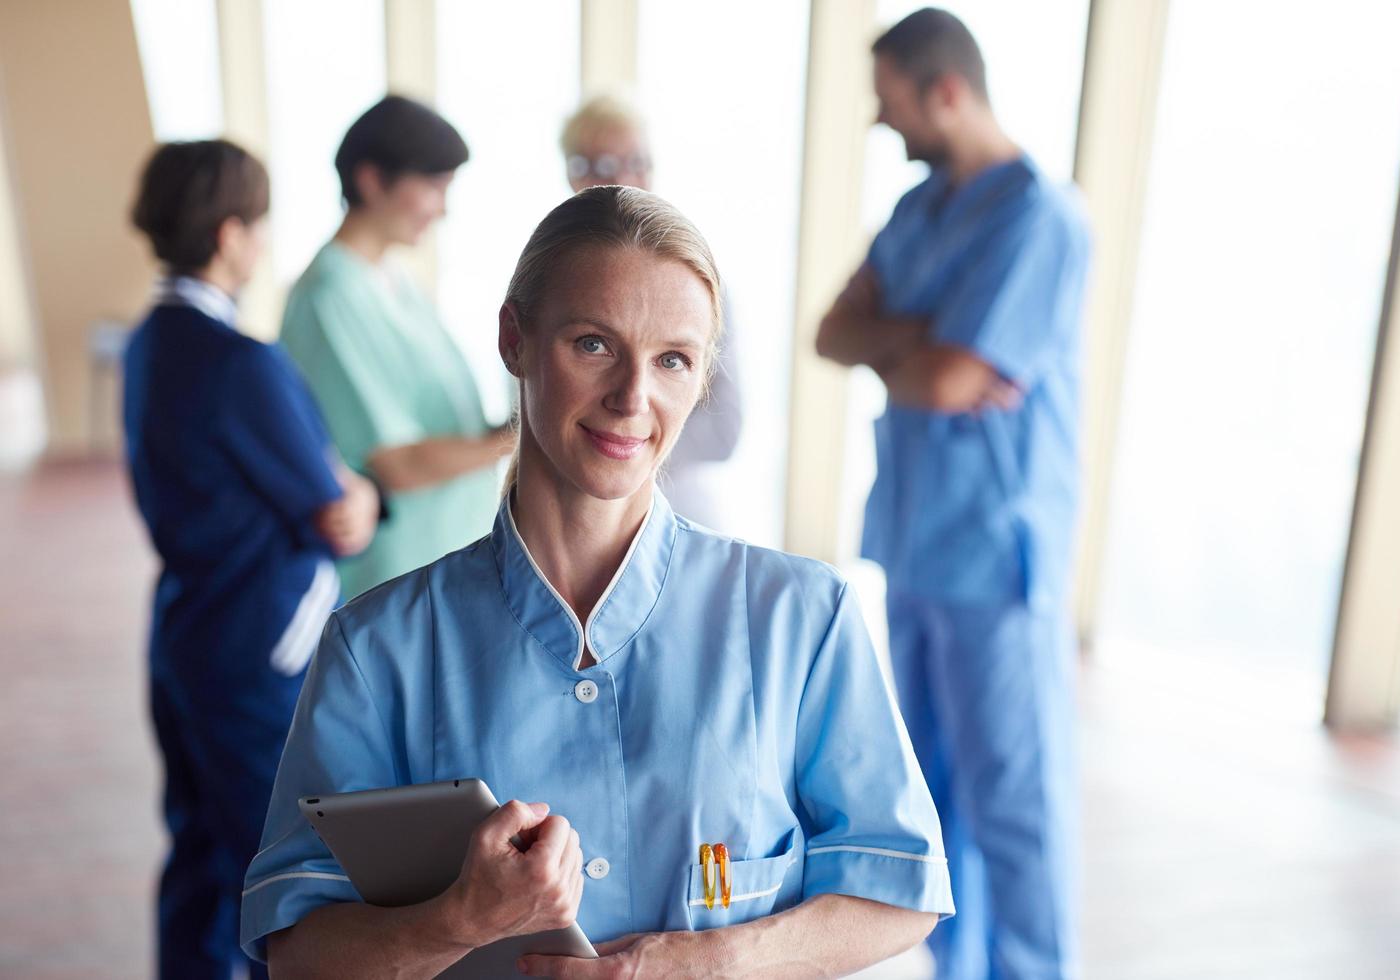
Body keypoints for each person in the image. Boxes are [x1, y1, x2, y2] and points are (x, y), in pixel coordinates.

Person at [240, 186, 954, 977]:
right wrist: (457, 919)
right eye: (592, 344)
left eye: (672, 360)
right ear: (515, 339)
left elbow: (900, 893)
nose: (631, 398)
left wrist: (701, 962)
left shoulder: (801, 619)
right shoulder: (377, 651)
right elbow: (297, 953)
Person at [815, 9, 1091, 980]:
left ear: (943, 91)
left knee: (1014, 804)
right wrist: (921, 337)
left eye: (889, 102)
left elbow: (942, 379)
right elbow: (833, 333)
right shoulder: (919, 210)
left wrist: (908, 342)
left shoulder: (1040, 219)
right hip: (917, 543)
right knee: (933, 799)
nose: (879, 124)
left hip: (994, 551)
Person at [123, 139, 380, 980]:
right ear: (231, 235)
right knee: (277, 879)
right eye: (259, 226)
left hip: (183, 631)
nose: (264, 244)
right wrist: (368, 496)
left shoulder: (148, 345)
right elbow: (335, 512)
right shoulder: (242, 363)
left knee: (198, 860)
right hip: (252, 649)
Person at [281, 94, 514, 600]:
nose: (443, 209)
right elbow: (398, 464)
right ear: (371, 180)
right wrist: (530, 439)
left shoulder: (395, 278)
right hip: (396, 575)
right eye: (433, 187)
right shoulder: (331, 295)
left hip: (447, 556)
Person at [560, 94, 743, 530]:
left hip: (678, 512)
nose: (625, 178)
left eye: (637, 161)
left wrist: (617, 445)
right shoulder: (543, 282)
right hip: (573, 523)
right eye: (603, 166)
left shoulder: (699, 284)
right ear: (573, 173)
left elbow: (725, 430)